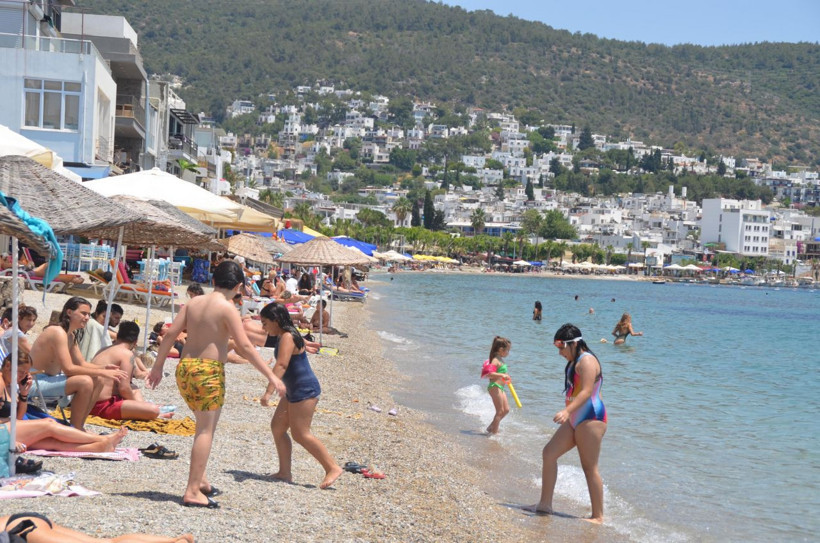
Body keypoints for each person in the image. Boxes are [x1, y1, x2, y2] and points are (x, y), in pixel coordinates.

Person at [147, 260, 286, 508]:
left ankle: (201, 480)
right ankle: (192, 490)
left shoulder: (193, 303)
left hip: (185, 370)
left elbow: (169, 334)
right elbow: (244, 346)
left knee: (203, 425)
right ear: (240, 286)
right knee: (205, 430)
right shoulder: (228, 307)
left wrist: (157, 367)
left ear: (213, 281)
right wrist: (271, 376)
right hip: (208, 372)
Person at [526, 324, 607, 523]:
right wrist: (570, 413)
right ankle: (545, 504)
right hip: (576, 418)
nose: (560, 352)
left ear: (573, 344)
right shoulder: (574, 360)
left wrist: (566, 411)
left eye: (562, 347)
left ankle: (598, 516)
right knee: (549, 453)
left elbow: (586, 391)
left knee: (589, 467)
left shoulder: (587, 361)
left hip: (591, 418)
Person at [259, 302, 343, 489]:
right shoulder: (286, 334)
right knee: (277, 428)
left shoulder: (288, 336)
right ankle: (284, 472)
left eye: (265, 323)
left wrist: (268, 393)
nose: (263, 327)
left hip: (304, 390)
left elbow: (281, 365)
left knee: (301, 433)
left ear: (276, 320)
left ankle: (332, 467)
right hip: (292, 390)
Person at [29, 297, 128, 430]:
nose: (87, 317)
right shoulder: (57, 332)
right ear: (69, 312)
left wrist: (104, 368)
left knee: (99, 379)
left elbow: (81, 363)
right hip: (33, 381)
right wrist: (103, 371)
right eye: (83, 313)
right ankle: (75, 427)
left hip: (49, 379)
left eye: (88, 314)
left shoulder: (70, 335)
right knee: (85, 382)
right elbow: (69, 369)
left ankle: (79, 424)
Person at [1, 351, 128, 452]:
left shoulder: (11, 384)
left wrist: (23, 394)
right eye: (20, 372)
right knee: (49, 424)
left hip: (12, 427)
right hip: (4, 431)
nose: (22, 376)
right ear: (7, 366)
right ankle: (103, 438)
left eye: (25, 373)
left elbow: (19, 417)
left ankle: (100, 447)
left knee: (52, 441)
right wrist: (11, 439)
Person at [90, 322, 175, 421]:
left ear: (117, 336)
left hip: (89, 402)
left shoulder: (103, 350)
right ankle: (149, 414)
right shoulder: (126, 354)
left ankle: (142, 410)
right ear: (135, 341)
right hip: (103, 406)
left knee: (134, 388)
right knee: (153, 410)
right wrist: (139, 405)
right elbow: (124, 388)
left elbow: (130, 382)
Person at [0, 513, 193, 543]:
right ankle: (173, 540)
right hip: (26, 521)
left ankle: (174, 541)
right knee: (106, 541)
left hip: (21, 530)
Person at [481, 336, 512, 435]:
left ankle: (491, 427)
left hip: (501, 387)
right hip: (494, 386)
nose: (508, 353)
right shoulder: (495, 359)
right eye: (507, 350)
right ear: (500, 349)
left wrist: (505, 378)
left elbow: (500, 373)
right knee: (500, 411)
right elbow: (489, 374)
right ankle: (494, 434)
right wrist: (502, 375)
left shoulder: (500, 359)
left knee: (506, 410)